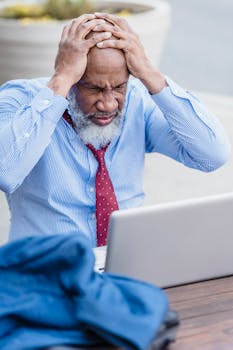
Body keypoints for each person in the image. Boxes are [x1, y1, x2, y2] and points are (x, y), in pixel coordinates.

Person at [0, 13, 230, 246]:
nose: (109, 104)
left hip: (123, 268)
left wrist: (150, 73)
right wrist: (61, 79)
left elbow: (212, 156)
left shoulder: (138, 101)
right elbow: (5, 172)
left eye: (119, 87)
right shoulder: (20, 100)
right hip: (45, 272)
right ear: (72, 76)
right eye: (94, 89)